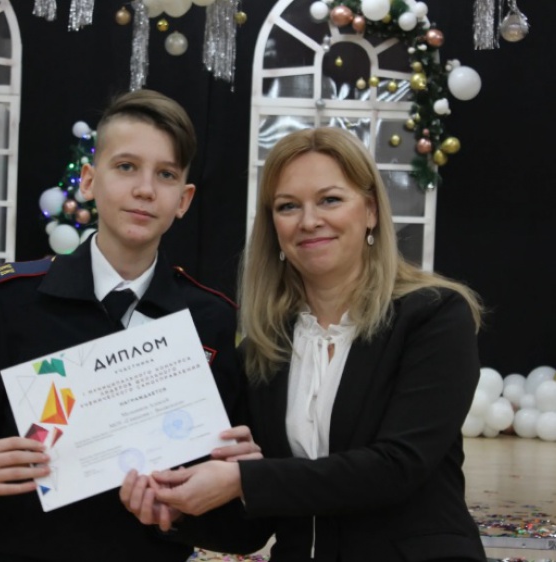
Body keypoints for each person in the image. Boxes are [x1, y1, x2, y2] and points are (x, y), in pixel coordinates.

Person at [0, 89, 258, 562]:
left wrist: (187, 510)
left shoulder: (209, 320)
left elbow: (237, 516)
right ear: (89, 180)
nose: (145, 189)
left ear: (184, 199)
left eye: (166, 174)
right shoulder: (15, 302)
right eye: (126, 166)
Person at [120, 126, 488, 562]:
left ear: (370, 211)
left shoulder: (434, 315)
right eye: (288, 206)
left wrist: (244, 480)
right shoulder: (265, 349)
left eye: (330, 200)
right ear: (274, 227)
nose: (309, 221)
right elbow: (253, 528)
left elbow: (397, 467)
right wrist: (179, 509)